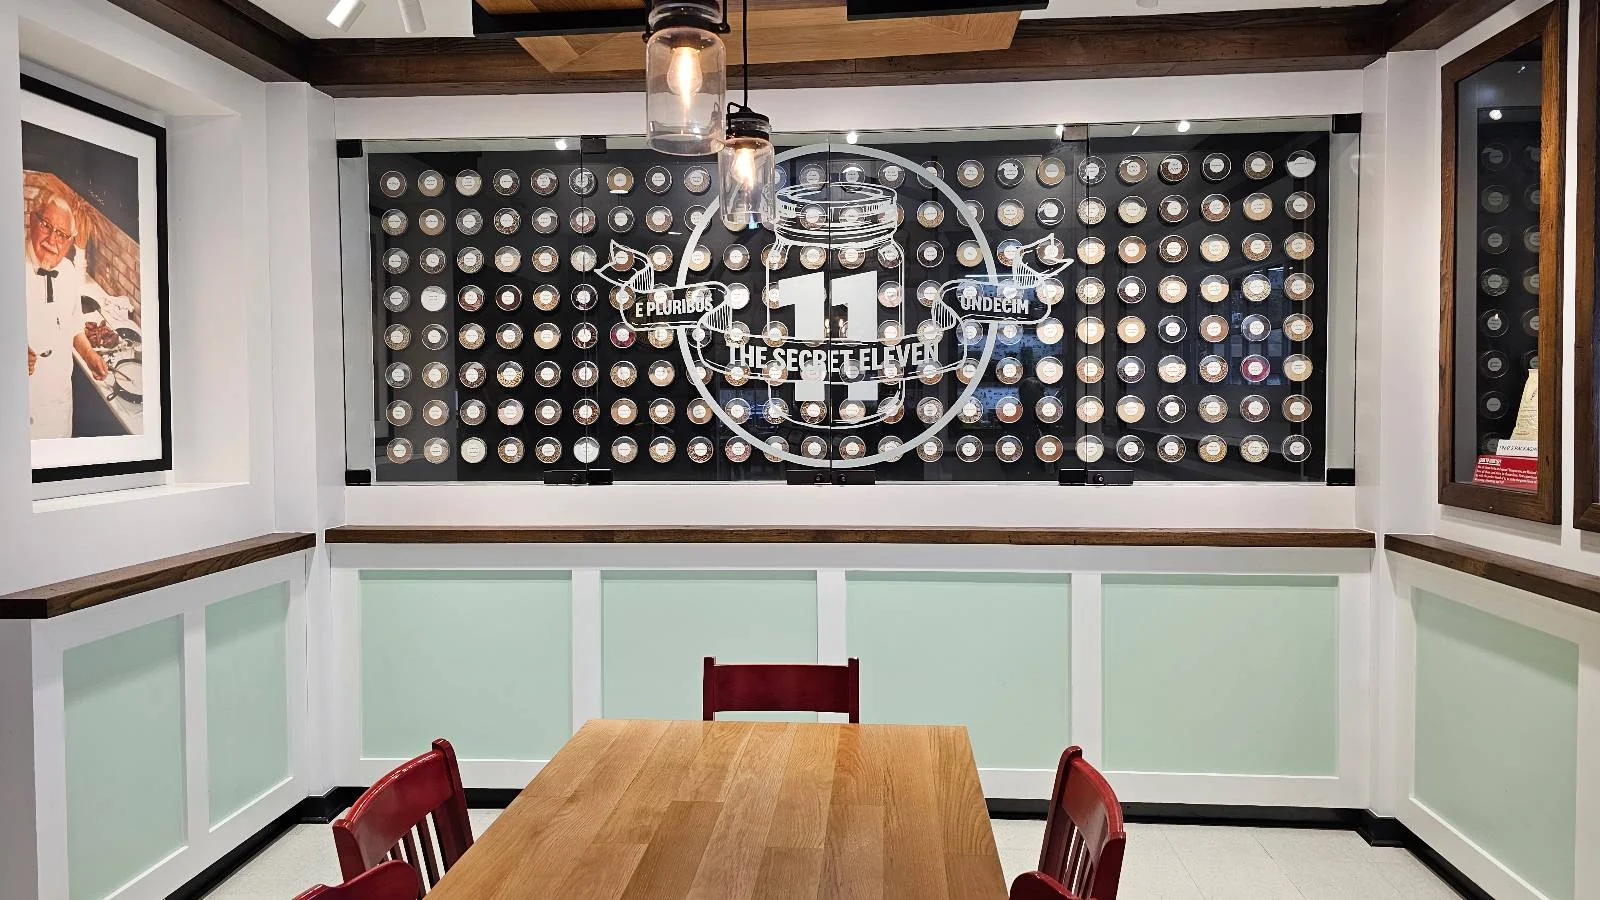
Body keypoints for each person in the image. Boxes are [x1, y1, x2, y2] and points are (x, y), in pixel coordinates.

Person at [25, 193, 107, 439]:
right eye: (46, 226)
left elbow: (73, 327)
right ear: (32, 220)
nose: (52, 240)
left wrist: (90, 355)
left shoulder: (69, 272)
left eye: (61, 234)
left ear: (70, 242)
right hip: (22, 400)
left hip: (58, 405)